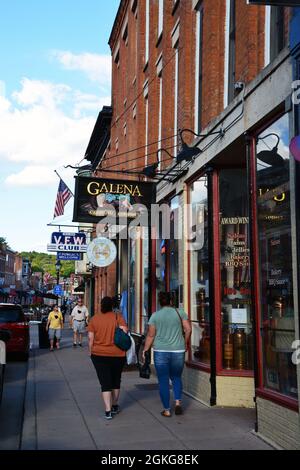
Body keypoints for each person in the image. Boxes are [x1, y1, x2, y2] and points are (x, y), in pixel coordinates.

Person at [142, 292, 192, 417]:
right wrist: (185, 343)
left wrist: (145, 349)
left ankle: (167, 410)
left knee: (163, 380)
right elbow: (188, 329)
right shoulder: (180, 313)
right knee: (176, 377)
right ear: (171, 301)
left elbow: (151, 335)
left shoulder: (155, 316)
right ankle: (178, 402)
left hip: (161, 351)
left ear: (160, 302)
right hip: (178, 350)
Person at [88, 296, 128, 420]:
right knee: (116, 380)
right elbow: (125, 332)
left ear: (101, 306)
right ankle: (115, 405)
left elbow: (90, 338)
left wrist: (91, 351)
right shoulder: (118, 317)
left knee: (105, 383)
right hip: (117, 354)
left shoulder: (94, 319)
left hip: (99, 354)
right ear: (112, 306)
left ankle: (108, 410)